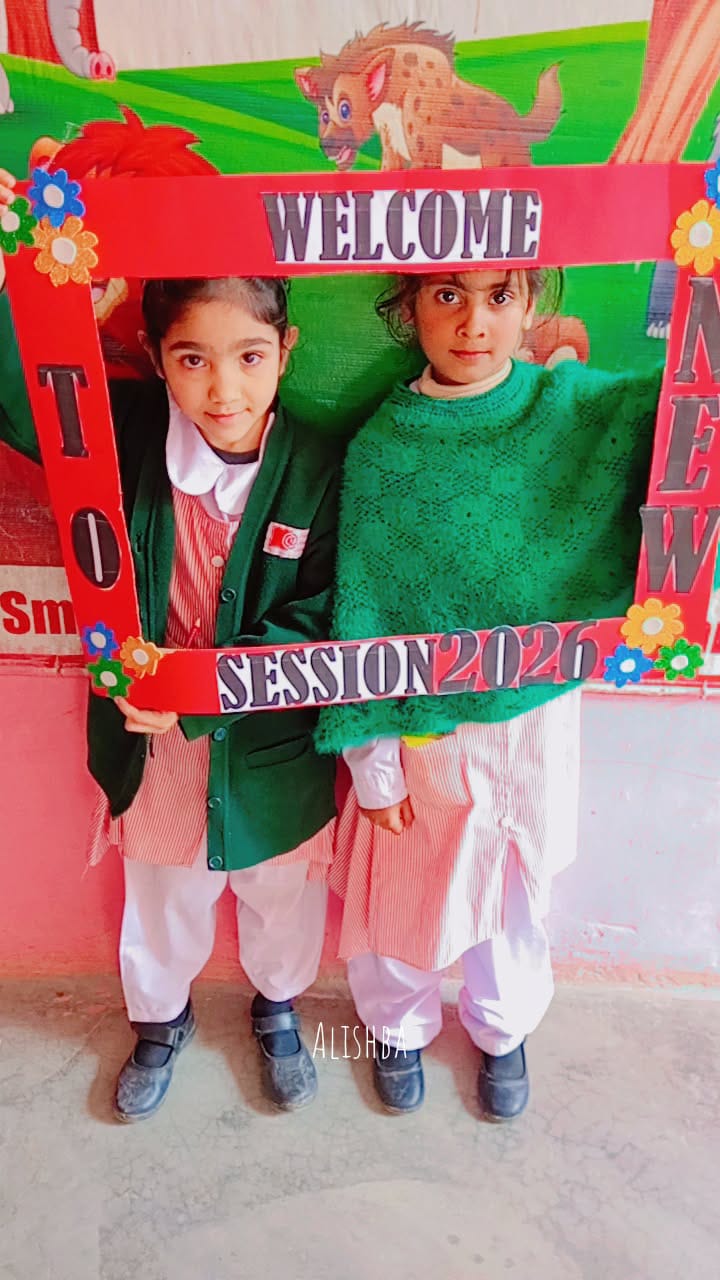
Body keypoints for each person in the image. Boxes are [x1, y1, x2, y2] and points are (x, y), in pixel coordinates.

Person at [0, 168, 340, 1120]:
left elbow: (320, 615)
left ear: (286, 352)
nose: (223, 388)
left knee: (280, 892)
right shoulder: (124, 434)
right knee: (161, 898)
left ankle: (279, 1008)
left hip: (271, 747)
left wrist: (206, 693)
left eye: (249, 356)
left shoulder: (318, 465)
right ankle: (159, 1020)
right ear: (155, 358)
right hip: (153, 749)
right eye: (193, 358)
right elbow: (24, 406)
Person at [316, 266, 662, 1120]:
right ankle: (395, 1027)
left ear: (531, 305)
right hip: (425, 733)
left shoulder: (575, 408)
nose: (474, 322)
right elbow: (362, 620)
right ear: (409, 309)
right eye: (448, 296)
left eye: (499, 297)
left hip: (535, 721)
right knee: (407, 894)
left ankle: (503, 1030)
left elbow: (682, 416)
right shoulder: (385, 451)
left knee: (515, 898)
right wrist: (374, 770)